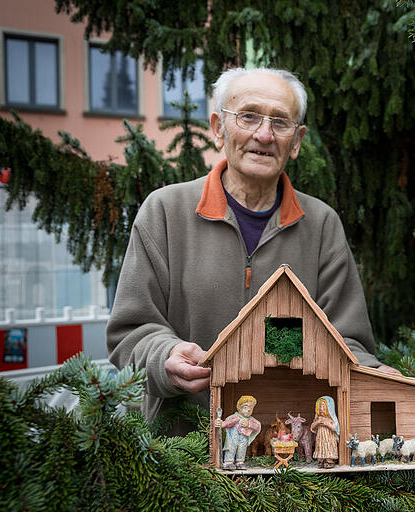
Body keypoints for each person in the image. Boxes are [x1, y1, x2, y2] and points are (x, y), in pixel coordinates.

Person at [107, 67, 399, 428]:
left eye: (280, 122)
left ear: (296, 141)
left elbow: (346, 340)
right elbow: (131, 331)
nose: (264, 134)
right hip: (181, 453)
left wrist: (375, 374)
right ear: (218, 128)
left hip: (290, 452)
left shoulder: (321, 224)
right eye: (248, 116)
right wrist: (163, 356)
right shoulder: (165, 212)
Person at [216, 395, 261, 470]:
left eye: (251, 408)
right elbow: (227, 423)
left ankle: (240, 462)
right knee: (231, 448)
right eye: (245, 407)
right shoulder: (235, 417)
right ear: (239, 408)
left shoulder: (251, 420)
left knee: (242, 449)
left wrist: (249, 425)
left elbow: (257, 427)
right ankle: (228, 462)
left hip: (243, 438)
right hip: (233, 438)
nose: (249, 410)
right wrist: (221, 424)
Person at [310, 395, 339, 468]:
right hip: (320, 438)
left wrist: (327, 424)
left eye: (323, 406)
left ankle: (329, 460)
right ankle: (321, 460)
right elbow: (312, 428)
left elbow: (335, 428)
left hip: (329, 438)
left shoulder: (331, 419)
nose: (321, 409)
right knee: (320, 448)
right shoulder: (318, 419)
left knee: (328, 448)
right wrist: (317, 423)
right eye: (319, 406)